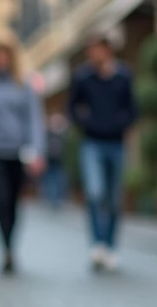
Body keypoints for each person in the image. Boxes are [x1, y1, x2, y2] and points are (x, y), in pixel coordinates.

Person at [0, 43, 44, 274]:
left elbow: (34, 119)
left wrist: (37, 152)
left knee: (13, 202)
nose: (1, 60)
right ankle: (5, 250)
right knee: (1, 199)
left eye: (5, 56)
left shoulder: (24, 85)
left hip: (17, 151)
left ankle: (11, 246)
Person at [68, 35, 138, 271]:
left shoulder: (123, 76)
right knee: (96, 192)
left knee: (114, 198)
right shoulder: (83, 77)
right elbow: (72, 108)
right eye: (91, 50)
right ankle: (97, 245)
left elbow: (132, 108)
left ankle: (110, 247)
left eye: (97, 49)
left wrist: (121, 124)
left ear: (108, 50)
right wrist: (86, 122)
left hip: (116, 143)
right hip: (92, 143)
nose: (94, 54)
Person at [41, 112, 70, 210]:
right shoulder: (47, 134)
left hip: (59, 161)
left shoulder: (62, 135)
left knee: (59, 180)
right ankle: (48, 198)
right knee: (48, 180)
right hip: (49, 161)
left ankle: (57, 200)